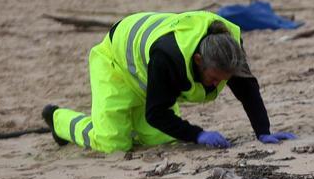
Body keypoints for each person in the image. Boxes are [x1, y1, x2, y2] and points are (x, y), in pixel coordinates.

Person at [43, 10, 296, 152]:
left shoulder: (229, 49)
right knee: (113, 144)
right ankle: (58, 120)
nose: (217, 84)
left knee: (160, 140)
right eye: (215, 79)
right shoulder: (168, 57)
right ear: (198, 60)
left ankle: (124, 124)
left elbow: (247, 89)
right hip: (114, 65)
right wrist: (198, 135)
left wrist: (263, 131)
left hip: (148, 73)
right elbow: (156, 113)